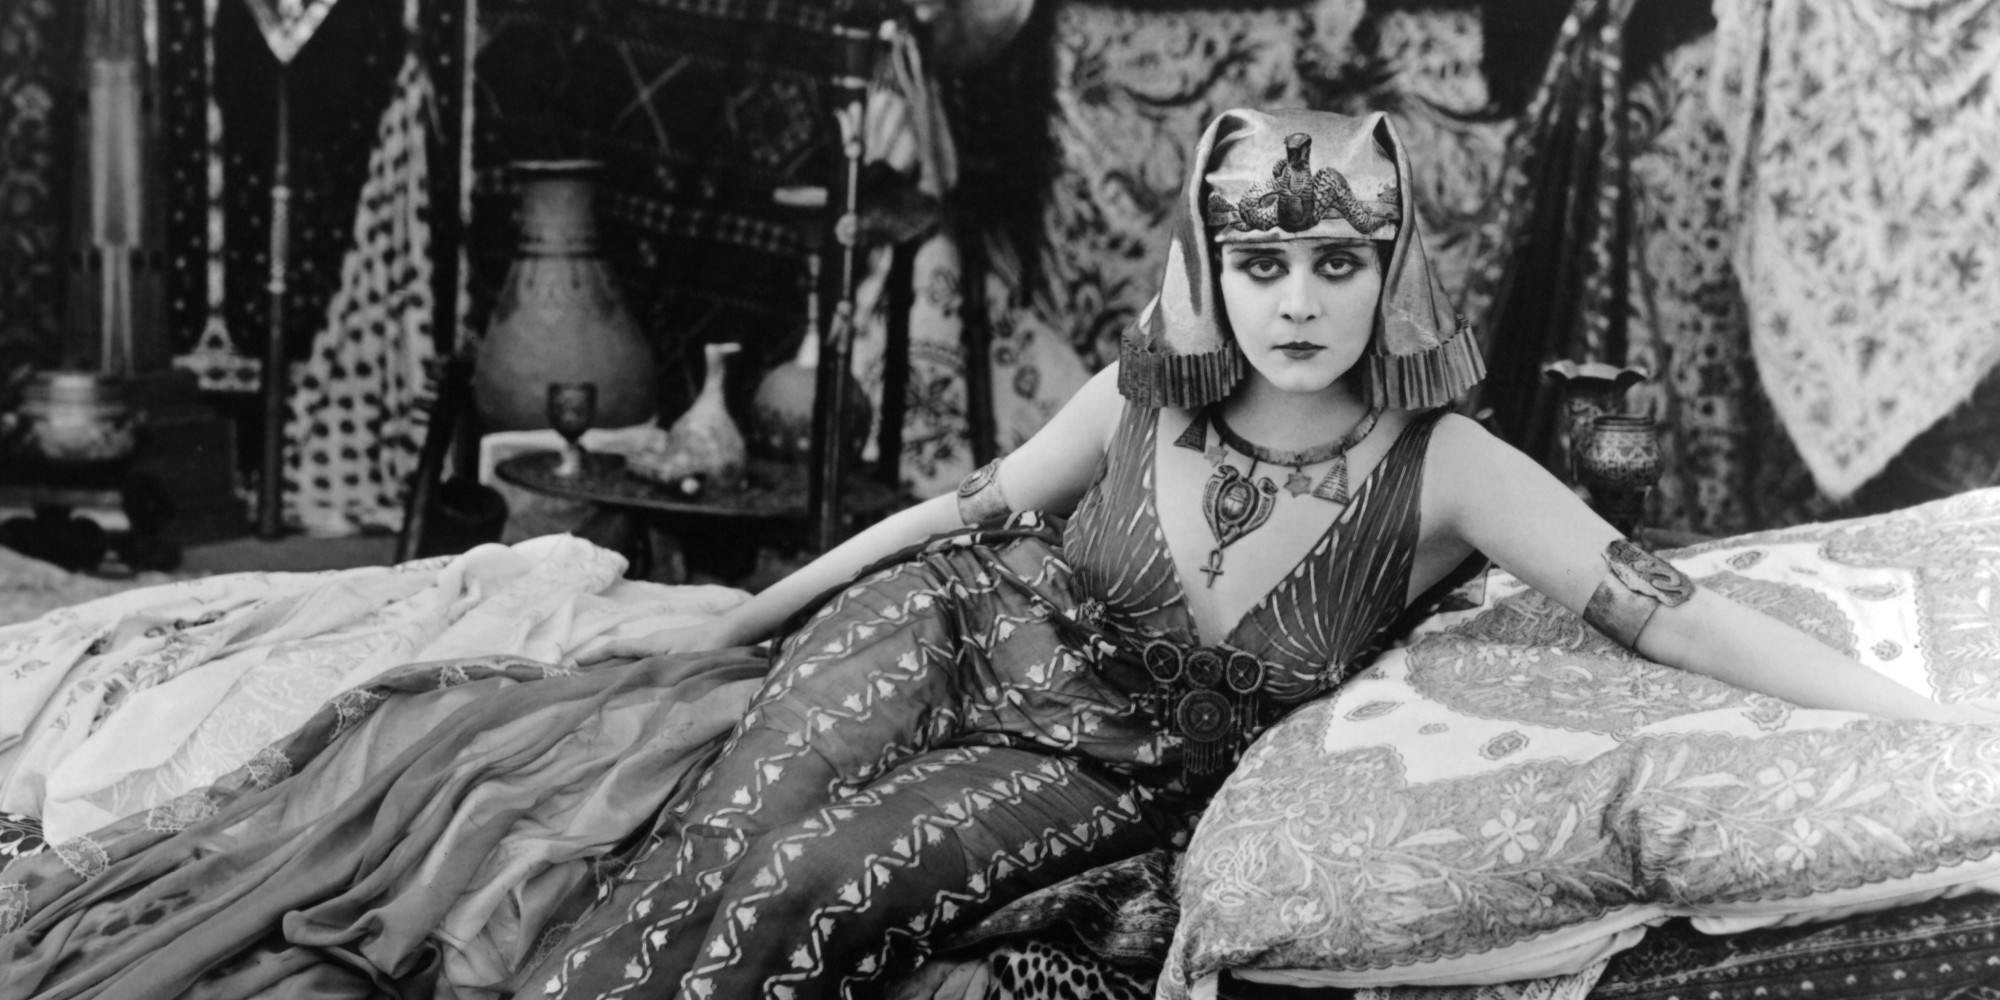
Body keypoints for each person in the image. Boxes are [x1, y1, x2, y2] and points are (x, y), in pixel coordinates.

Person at [1, 107, 1984, 1000]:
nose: (1296, 297)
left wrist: (1918, 713)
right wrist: (744, 619)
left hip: (1119, 759)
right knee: (710, 832)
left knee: (814, 879)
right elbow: (963, 517)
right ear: (1210, 262)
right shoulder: (1140, 395)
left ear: (1388, 270)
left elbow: (1663, 605)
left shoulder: (1449, 461)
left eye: (1336, 258)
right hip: (956, 622)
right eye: (1261, 257)